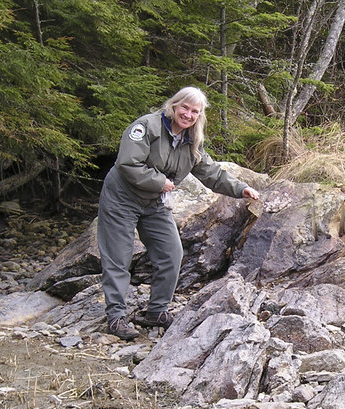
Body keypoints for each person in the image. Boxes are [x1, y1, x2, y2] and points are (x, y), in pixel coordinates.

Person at [97, 86, 260, 340]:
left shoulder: (191, 141)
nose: (188, 114)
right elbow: (128, 163)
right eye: (185, 107)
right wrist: (158, 182)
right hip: (122, 198)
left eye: (195, 111)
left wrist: (242, 189)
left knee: (172, 253)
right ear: (174, 106)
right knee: (119, 256)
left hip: (154, 203)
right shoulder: (147, 127)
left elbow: (212, 174)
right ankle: (116, 318)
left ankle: (156, 312)